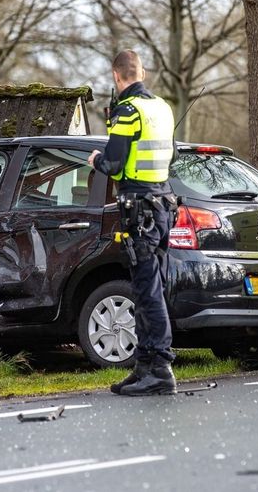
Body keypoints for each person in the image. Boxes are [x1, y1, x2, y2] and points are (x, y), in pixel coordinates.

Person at [88, 50, 179, 396]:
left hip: (139, 208)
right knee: (149, 287)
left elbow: (113, 163)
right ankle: (144, 366)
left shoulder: (128, 111)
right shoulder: (162, 108)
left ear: (116, 76)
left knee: (146, 290)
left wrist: (96, 158)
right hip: (162, 205)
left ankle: (159, 367)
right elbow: (171, 155)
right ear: (141, 72)